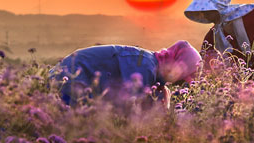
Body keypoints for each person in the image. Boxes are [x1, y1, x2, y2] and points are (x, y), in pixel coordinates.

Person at [49, 40, 201, 106]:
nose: (178, 83)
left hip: (73, 77)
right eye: (181, 78)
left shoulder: (150, 66)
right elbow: (128, 105)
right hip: (68, 76)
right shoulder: (145, 67)